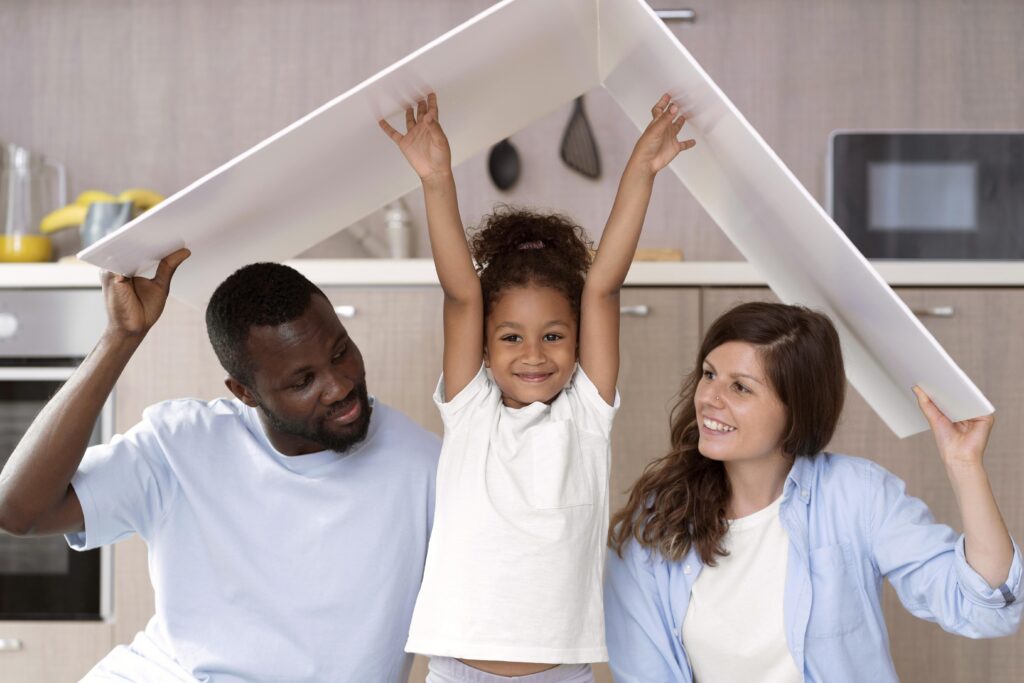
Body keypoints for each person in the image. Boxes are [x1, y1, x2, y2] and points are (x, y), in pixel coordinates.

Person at [0, 252, 441, 683]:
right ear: (244, 392)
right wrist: (121, 336)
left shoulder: (424, 469)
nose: (340, 385)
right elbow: (19, 511)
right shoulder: (181, 443)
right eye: (303, 381)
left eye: (341, 352)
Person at [379, 93, 695, 683]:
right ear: (482, 347)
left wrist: (642, 171)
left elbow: (602, 285)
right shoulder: (471, 408)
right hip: (459, 669)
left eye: (553, 335)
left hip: (561, 672)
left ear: (578, 341)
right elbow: (461, 293)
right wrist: (437, 179)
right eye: (511, 338)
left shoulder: (586, 413)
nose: (533, 355)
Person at [604, 301, 1022, 683]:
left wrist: (964, 466)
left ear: (796, 409)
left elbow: (985, 610)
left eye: (741, 387)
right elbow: (644, 672)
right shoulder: (655, 524)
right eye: (710, 374)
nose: (710, 398)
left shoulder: (857, 496)